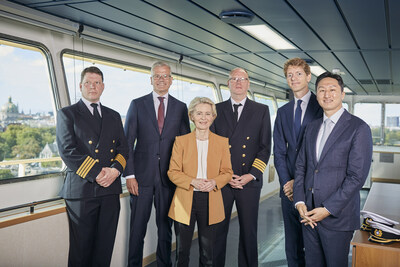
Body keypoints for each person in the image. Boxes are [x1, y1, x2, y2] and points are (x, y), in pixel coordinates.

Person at [293, 71, 373, 267]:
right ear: (316, 94)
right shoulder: (312, 127)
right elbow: (301, 166)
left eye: (332, 90)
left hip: (338, 218)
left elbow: (356, 177)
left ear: (342, 94)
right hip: (309, 216)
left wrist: (327, 209)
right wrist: (300, 201)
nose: (327, 95)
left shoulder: (358, 128)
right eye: (322, 90)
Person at [56, 66, 128, 267]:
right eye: (88, 82)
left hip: (110, 189)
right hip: (81, 191)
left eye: (97, 83)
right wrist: (97, 173)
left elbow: (124, 148)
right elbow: (67, 151)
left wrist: (114, 171)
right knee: (81, 251)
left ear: (103, 87)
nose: (92, 87)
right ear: (80, 86)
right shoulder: (67, 114)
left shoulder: (114, 115)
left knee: (105, 248)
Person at [124, 61, 190, 267]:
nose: (161, 80)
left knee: (165, 228)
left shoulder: (181, 107)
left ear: (171, 80)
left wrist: (183, 177)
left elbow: (185, 144)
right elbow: (127, 142)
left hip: (169, 178)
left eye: (165, 76)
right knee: (137, 229)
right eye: (157, 76)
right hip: (141, 178)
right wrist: (130, 175)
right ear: (151, 79)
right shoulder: (137, 104)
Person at [211, 67, 271, 267]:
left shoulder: (261, 110)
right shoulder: (216, 109)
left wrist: (251, 175)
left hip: (248, 182)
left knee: (248, 232)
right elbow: (210, 147)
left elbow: (264, 147)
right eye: (234, 79)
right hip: (222, 181)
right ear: (228, 83)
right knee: (217, 231)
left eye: (242, 79)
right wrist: (224, 176)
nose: (238, 82)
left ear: (248, 83)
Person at [168, 97, 233, 267]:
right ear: (192, 116)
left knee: (208, 253)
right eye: (199, 113)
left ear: (213, 117)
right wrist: (193, 182)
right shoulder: (180, 142)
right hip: (185, 200)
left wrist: (214, 182)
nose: (203, 118)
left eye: (207, 114)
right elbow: (172, 172)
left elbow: (227, 172)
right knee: (182, 252)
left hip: (210, 200)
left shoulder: (222, 142)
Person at [273, 58, 323, 267]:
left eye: (298, 74)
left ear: (309, 77)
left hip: (313, 188)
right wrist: (288, 182)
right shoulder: (283, 112)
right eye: (290, 75)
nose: (294, 78)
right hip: (288, 191)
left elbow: (321, 153)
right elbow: (279, 151)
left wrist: (299, 182)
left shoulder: (321, 107)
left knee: (312, 244)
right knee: (292, 245)